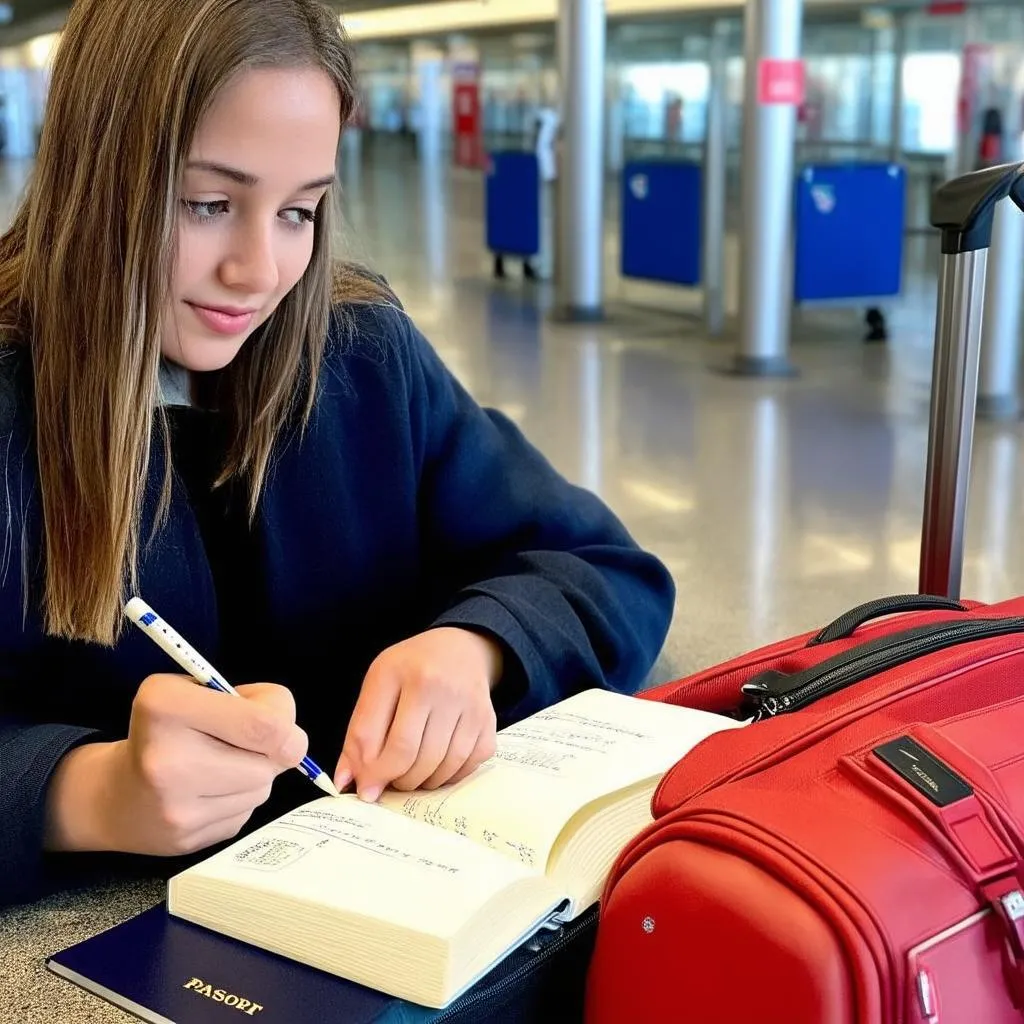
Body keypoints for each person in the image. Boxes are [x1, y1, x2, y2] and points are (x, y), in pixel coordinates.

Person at [0, 0, 675, 909]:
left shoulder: (357, 350)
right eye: (208, 204)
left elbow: (603, 568)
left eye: (299, 210)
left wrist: (477, 647)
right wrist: (76, 794)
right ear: (98, 172)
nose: (260, 269)